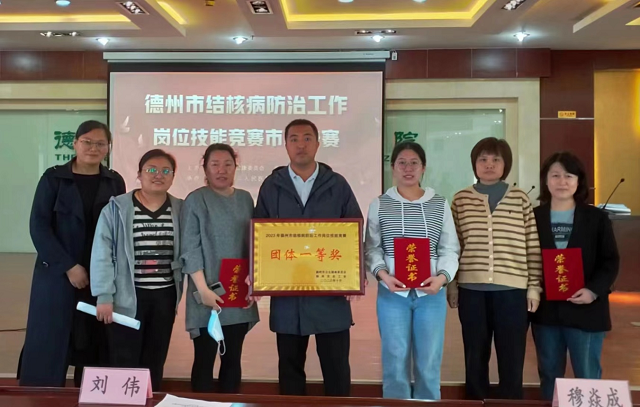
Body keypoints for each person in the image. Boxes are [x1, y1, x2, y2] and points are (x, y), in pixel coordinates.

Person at [254, 119, 363, 397]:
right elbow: (259, 235)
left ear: (317, 143)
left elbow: (353, 230)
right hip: (288, 294)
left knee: (336, 370)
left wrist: (356, 273)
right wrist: (256, 273)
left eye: (306, 138)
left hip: (330, 292)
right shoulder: (272, 185)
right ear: (285, 144)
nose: (300, 145)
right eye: (294, 139)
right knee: (290, 370)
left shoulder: (337, 184)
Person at [20, 120, 126, 387]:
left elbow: (119, 229)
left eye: (100, 143)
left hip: (99, 274)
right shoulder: (53, 178)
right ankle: (43, 396)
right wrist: (69, 266)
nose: (93, 148)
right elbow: (39, 226)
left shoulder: (114, 181)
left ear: (108, 148)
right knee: (51, 337)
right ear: (75, 144)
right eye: (87, 142)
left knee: (95, 338)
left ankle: (93, 393)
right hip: (57, 273)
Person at [448, 137, 542, 400]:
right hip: (471, 291)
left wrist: (534, 287)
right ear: (474, 164)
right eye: (483, 159)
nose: (489, 164)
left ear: (505, 164)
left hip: (512, 291)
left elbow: (532, 245)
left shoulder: (520, 198)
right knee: (474, 355)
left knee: (512, 357)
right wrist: (453, 285)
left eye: (495, 159)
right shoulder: (461, 199)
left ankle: (510, 403)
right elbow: (453, 246)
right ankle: (475, 401)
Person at [365, 141, 459, 400]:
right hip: (392, 294)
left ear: (423, 168)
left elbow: (449, 248)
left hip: (431, 294)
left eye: (414, 163)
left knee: (429, 361)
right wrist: (384, 275)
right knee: (394, 360)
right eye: (402, 163)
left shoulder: (439, 203)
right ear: (392, 167)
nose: (408, 168)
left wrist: (441, 278)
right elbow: (371, 248)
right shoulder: (380, 204)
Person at [90, 149, 183, 391]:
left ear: (173, 176)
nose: (158, 175)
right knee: (123, 357)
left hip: (164, 296)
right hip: (126, 295)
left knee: (155, 357)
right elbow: (101, 254)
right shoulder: (116, 209)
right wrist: (104, 295)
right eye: (151, 169)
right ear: (139, 174)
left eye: (166, 171)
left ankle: (149, 400)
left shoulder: (181, 209)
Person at [531, 152, 619, 400]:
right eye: (555, 175)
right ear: (546, 180)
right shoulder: (534, 217)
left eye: (568, 176)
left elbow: (610, 261)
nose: (562, 181)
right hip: (546, 312)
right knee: (549, 375)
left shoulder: (596, 218)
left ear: (578, 181)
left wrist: (593, 291)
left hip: (586, 310)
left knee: (588, 374)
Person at [181, 144, 259, 393]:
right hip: (206, 294)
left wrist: (254, 283)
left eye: (227, 164)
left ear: (236, 167)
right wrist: (203, 289)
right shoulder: (196, 199)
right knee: (204, 359)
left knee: (233, 359)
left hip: (238, 292)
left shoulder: (245, 199)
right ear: (205, 168)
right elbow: (190, 248)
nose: (221, 170)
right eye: (215, 164)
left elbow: (254, 244)